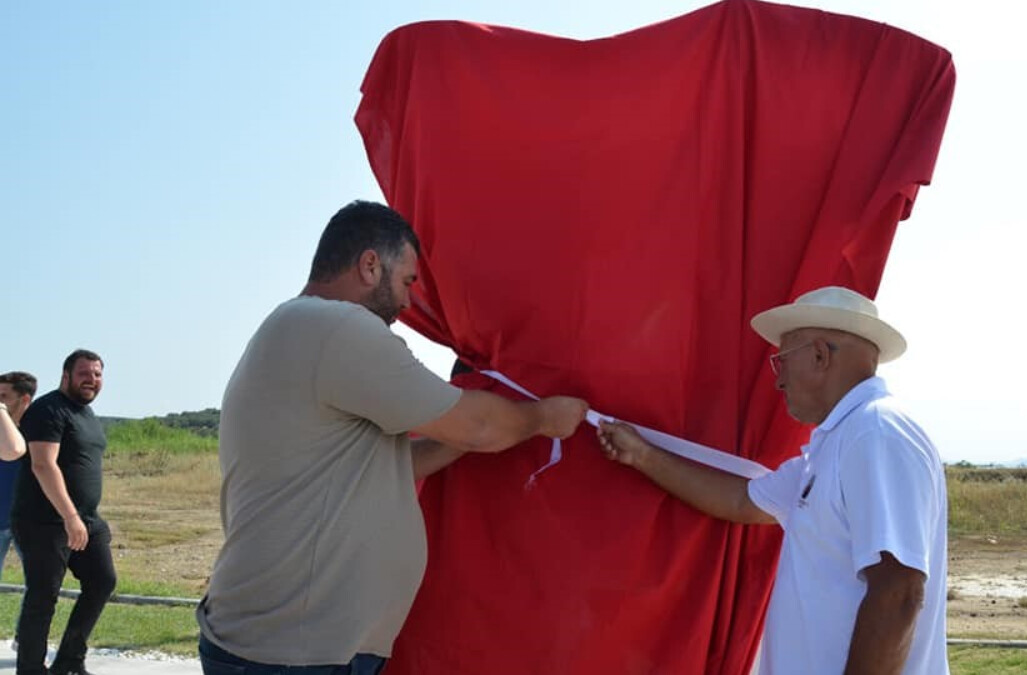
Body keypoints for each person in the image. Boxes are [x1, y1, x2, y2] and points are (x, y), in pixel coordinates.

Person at [196, 200, 589, 675]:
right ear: (369, 265)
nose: (406, 303)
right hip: (289, 654)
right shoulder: (334, 327)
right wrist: (542, 418)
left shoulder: (299, 329)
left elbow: (393, 465)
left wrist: (464, 426)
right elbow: (479, 426)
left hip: (294, 647)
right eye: (406, 282)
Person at [598, 286, 947, 675]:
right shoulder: (837, 442)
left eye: (781, 362)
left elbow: (899, 590)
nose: (778, 382)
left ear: (819, 355)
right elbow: (741, 501)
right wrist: (642, 455)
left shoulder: (877, 432)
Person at [13, 351, 116, 675]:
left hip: (85, 518)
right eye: (84, 373)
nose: (92, 379)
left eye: (97, 374)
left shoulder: (86, 414)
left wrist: (83, 517)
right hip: (44, 521)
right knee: (43, 597)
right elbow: (43, 464)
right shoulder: (48, 409)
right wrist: (70, 516)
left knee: (102, 580)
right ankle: (30, 670)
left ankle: (69, 660)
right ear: (66, 375)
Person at [0, 371, 37, 567]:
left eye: (3, 396)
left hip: (29, 523)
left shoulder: (43, 432)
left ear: (24, 399)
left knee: (39, 587)